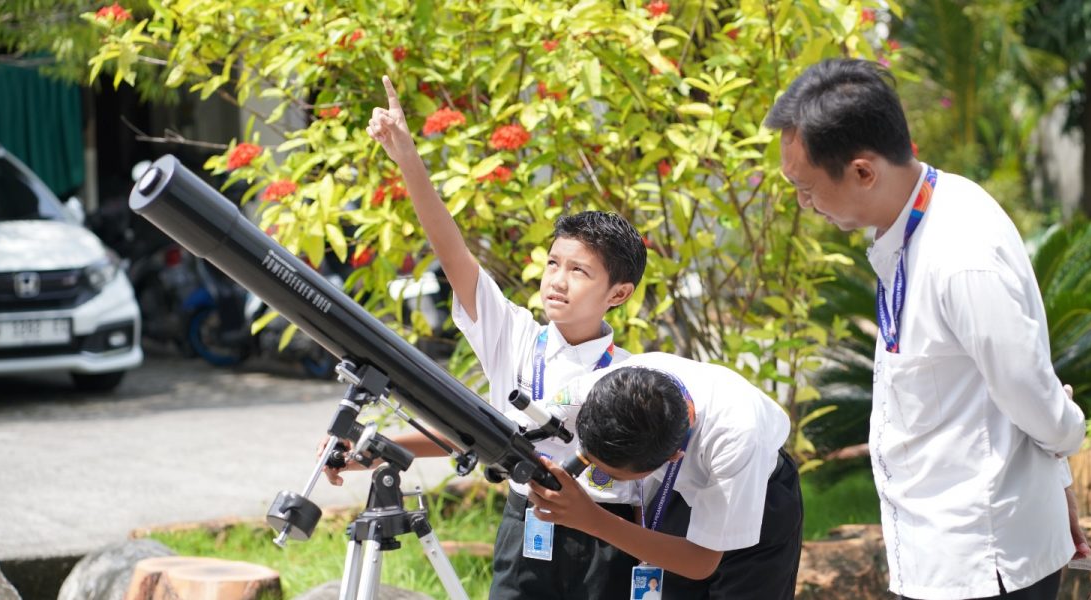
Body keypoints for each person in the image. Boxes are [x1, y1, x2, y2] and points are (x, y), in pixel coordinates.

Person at [764, 58, 1091, 599]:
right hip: (941, 551)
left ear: (863, 172)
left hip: (983, 560)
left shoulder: (960, 253)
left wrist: (1067, 441)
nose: (805, 204)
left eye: (806, 188)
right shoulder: (913, 223)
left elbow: (1028, 390)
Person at [344, 75, 649, 599]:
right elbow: (452, 252)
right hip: (524, 528)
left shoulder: (632, 375)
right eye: (553, 263)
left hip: (607, 538)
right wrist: (407, 159)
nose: (557, 281)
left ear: (618, 293)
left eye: (578, 271)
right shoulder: (514, 336)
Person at [527, 353, 803, 599]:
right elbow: (529, 423)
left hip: (756, 497)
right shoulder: (613, 386)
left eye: (611, 475)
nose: (594, 474)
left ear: (673, 456)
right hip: (680, 490)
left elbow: (701, 561)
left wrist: (589, 518)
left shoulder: (738, 436)